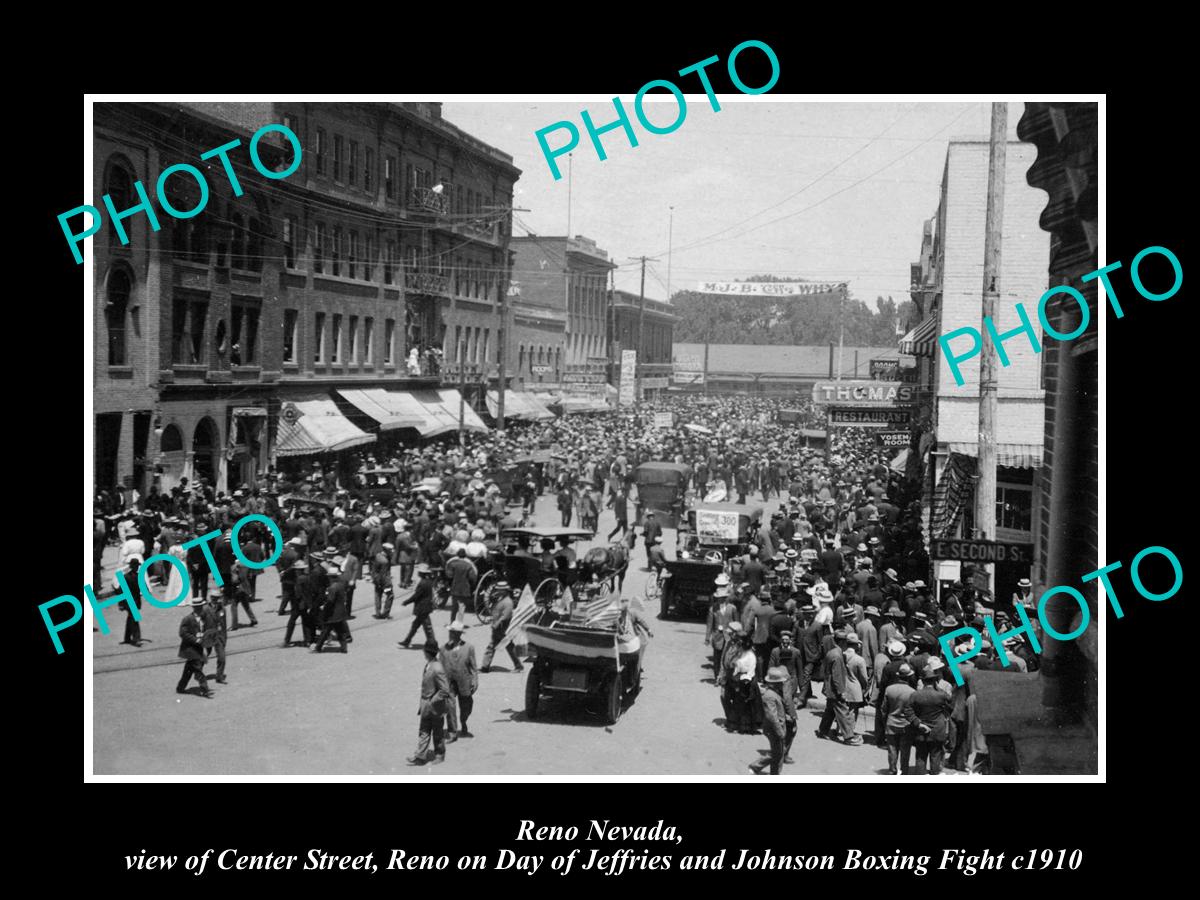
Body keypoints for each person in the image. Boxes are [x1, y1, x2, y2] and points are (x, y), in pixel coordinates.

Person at [904, 660, 953, 775]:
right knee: (935, 756)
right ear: (935, 680)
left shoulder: (915, 694)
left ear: (923, 680)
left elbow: (907, 710)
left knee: (920, 756)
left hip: (920, 730)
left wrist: (918, 723)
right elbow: (950, 704)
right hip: (938, 731)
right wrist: (938, 688)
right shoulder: (941, 695)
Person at [407, 640, 450, 766]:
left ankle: (440, 755)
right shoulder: (429, 665)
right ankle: (420, 756)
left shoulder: (437, 668)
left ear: (427, 652)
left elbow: (445, 690)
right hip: (426, 705)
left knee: (437, 732)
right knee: (424, 730)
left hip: (435, 707)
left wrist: (432, 701)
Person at [817, 630, 860, 745]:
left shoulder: (832, 652)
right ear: (842, 642)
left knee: (830, 710)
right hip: (835, 689)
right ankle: (848, 736)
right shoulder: (838, 655)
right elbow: (837, 676)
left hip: (829, 688)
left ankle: (823, 731)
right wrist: (841, 692)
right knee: (843, 710)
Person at [441, 620, 479, 740]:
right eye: (450, 632)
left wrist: (475, 680)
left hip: (464, 681)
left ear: (459, 634)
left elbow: (473, 666)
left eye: (454, 632)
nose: (451, 634)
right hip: (449, 682)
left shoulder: (469, 648)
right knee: (449, 706)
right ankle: (452, 731)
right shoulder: (443, 649)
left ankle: (463, 722)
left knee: (466, 706)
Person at [752, 667, 793, 775]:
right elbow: (772, 717)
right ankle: (756, 767)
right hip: (774, 729)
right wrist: (780, 731)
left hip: (776, 728)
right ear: (774, 683)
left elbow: (777, 711)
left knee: (778, 753)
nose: (782, 684)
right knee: (777, 753)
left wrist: (786, 716)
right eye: (780, 682)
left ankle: (773, 773)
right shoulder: (769, 696)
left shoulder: (773, 693)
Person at [881, 662, 918, 774]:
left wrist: (884, 722)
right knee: (905, 750)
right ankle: (904, 770)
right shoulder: (912, 692)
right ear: (909, 676)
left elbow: (883, 709)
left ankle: (892, 770)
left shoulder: (889, 689)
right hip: (906, 725)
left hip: (891, 722)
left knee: (892, 749)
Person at [480, 581, 524, 673]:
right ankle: (485, 666)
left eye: (500, 590)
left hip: (503, 629)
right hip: (499, 628)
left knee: (507, 647)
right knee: (493, 646)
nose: (497, 591)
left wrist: (496, 624)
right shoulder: (501, 599)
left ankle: (518, 665)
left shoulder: (508, 602)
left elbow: (505, 616)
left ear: (504, 591)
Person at [176, 597, 212, 698]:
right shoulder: (187, 619)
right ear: (194, 608)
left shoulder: (204, 618)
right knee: (198, 668)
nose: (200, 609)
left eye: (201, 606)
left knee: (188, 669)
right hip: (190, 649)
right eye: (198, 607)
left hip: (198, 648)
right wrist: (195, 640)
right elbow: (183, 633)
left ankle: (180, 687)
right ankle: (205, 689)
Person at [312, 561, 350, 653]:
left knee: (325, 630)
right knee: (340, 631)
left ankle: (318, 647)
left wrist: (324, 607)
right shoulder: (340, 585)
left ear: (330, 576)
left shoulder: (332, 587)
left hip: (333, 613)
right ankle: (344, 648)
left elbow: (330, 601)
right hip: (340, 612)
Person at [399, 564, 437, 648]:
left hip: (422, 608)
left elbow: (416, 596)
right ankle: (407, 640)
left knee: (427, 627)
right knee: (416, 625)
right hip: (426, 607)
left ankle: (432, 643)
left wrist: (406, 602)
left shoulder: (422, 583)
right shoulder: (428, 581)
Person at [445, 547, 478, 623]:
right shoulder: (468, 565)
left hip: (455, 587)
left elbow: (449, 575)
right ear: (465, 556)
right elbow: (472, 577)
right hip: (465, 588)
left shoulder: (453, 564)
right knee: (462, 607)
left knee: (454, 606)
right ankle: (459, 622)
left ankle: (452, 621)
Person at [202, 591, 228, 684]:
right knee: (204, 655)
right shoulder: (205, 609)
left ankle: (219, 676)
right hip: (208, 635)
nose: (217, 600)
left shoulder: (222, 609)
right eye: (215, 598)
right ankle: (198, 673)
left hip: (219, 636)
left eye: (218, 598)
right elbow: (200, 623)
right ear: (211, 598)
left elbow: (224, 625)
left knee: (222, 658)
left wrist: (224, 638)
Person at [372, 542, 395, 619]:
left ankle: (378, 613)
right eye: (390, 550)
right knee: (390, 595)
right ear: (386, 550)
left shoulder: (378, 555)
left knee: (378, 595)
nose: (392, 552)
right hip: (384, 581)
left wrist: (376, 580)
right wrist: (387, 584)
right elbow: (384, 574)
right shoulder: (385, 561)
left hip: (376, 579)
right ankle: (386, 613)